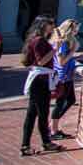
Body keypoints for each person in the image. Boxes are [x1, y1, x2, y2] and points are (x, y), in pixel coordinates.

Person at [20, 16, 64, 156]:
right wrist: (55, 49)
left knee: (32, 114)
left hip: (40, 80)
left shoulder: (39, 40)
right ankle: (46, 142)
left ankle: (25, 146)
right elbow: (41, 61)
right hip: (40, 81)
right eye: (50, 23)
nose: (53, 26)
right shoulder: (39, 40)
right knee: (42, 114)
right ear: (43, 25)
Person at [50, 19, 80, 140]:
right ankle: (53, 130)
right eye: (75, 29)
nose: (77, 31)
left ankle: (53, 127)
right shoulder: (63, 43)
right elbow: (62, 61)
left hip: (67, 76)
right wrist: (73, 51)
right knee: (60, 103)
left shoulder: (66, 42)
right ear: (69, 30)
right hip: (62, 77)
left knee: (71, 100)